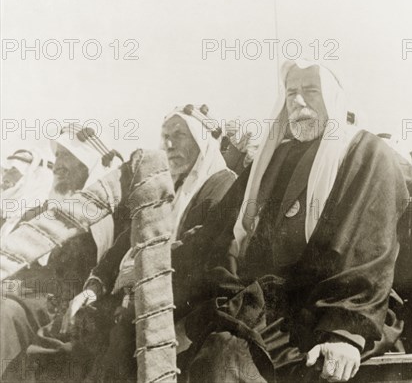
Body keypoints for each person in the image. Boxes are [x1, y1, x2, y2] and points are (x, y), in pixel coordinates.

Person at [175, 60, 410, 382]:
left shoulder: (367, 153)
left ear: (335, 98)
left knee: (226, 358)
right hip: (263, 303)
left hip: (333, 308)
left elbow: (370, 250)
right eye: (291, 93)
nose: (298, 101)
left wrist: (345, 333)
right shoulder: (272, 159)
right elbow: (221, 230)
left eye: (311, 91)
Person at [66, 104, 237, 382]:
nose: (168, 145)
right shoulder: (166, 186)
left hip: (180, 310)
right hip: (134, 300)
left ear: (202, 140)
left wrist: (136, 282)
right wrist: (95, 286)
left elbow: (196, 255)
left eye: (179, 135)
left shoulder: (223, 186)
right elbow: (127, 241)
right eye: (165, 136)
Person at [1, 124, 124, 380]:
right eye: (57, 156)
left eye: (67, 156)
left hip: (56, 303)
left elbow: (67, 281)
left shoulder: (95, 221)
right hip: (25, 294)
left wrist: (10, 289)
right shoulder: (39, 211)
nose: (58, 164)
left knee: (5, 312)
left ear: (86, 165)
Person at [0, 149, 54, 238]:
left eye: (14, 171)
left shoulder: (41, 216)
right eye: (6, 170)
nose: (5, 177)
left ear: (33, 178)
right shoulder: (5, 210)